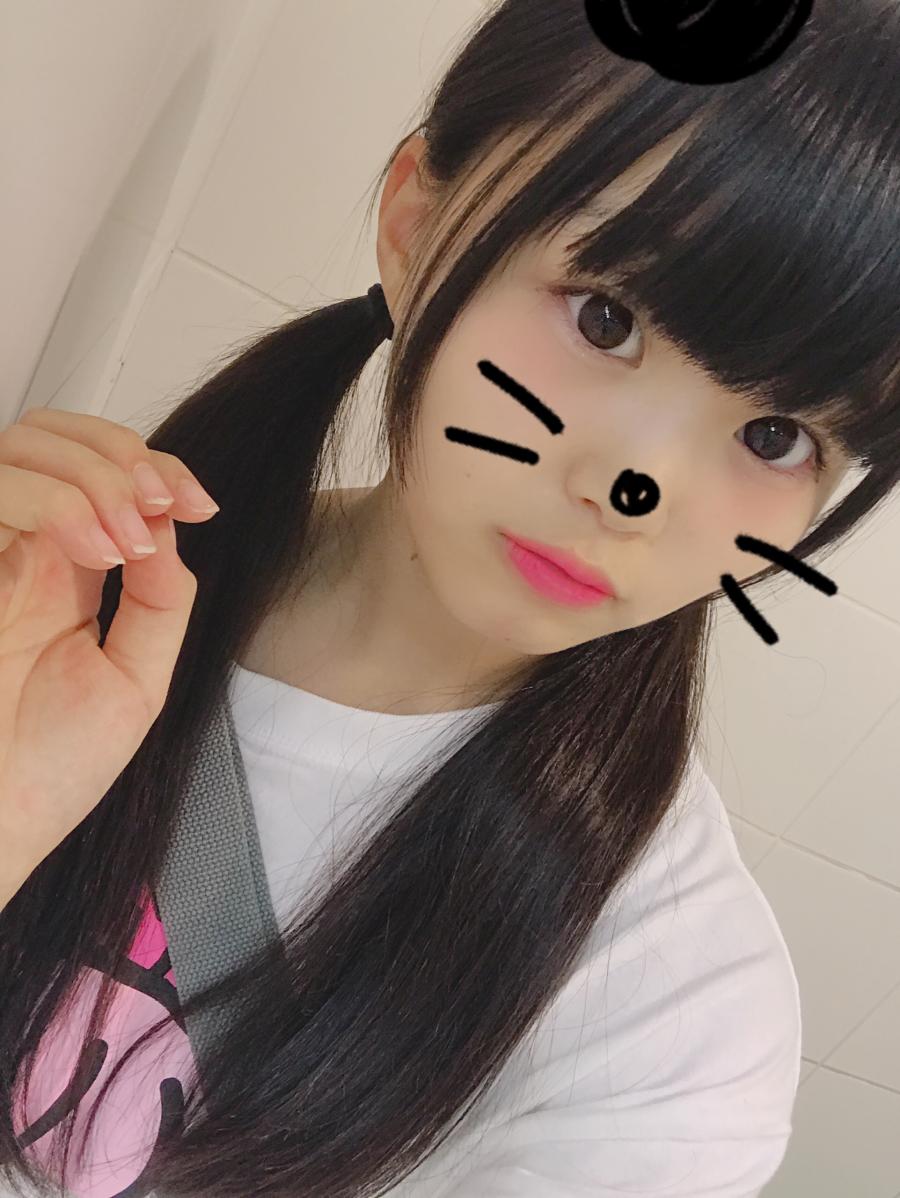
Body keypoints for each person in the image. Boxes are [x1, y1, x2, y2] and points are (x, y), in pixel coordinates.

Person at [0, 1, 896, 1195]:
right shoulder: (52, 610)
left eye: (779, 435)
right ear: (416, 226)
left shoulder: (677, 1018)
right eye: (607, 318)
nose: (637, 492)